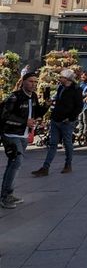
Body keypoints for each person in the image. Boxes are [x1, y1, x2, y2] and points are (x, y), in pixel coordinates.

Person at [1, 73, 48, 208]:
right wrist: (24, 122)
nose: (33, 84)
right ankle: (5, 197)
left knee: (14, 164)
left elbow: (36, 112)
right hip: (11, 134)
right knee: (17, 162)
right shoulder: (14, 97)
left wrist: (45, 107)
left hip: (24, 135)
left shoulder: (33, 96)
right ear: (23, 82)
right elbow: (5, 116)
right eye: (30, 81)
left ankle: (7, 194)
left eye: (35, 82)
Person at [32, 69, 84, 177]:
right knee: (52, 144)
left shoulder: (76, 89)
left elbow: (79, 106)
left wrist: (70, 118)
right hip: (56, 119)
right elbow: (58, 99)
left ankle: (68, 164)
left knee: (67, 143)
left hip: (67, 121)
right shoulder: (60, 87)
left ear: (67, 79)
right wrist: (51, 101)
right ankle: (45, 167)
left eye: (61, 77)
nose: (59, 79)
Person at [77, 71, 87, 144]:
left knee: (85, 120)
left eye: (84, 76)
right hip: (80, 104)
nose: (82, 78)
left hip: (86, 104)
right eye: (82, 77)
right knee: (80, 120)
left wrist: (85, 96)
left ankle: (85, 135)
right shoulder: (81, 84)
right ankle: (80, 134)